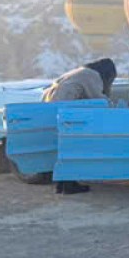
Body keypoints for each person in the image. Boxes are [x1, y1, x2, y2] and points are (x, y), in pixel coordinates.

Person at [42, 58, 117, 195]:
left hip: (53, 110)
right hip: (66, 112)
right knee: (73, 147)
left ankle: (62, 184)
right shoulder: (91, 75)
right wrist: (115, 107)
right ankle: (69, 186)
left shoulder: (81, 71)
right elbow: (99, 99)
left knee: (64, 148)